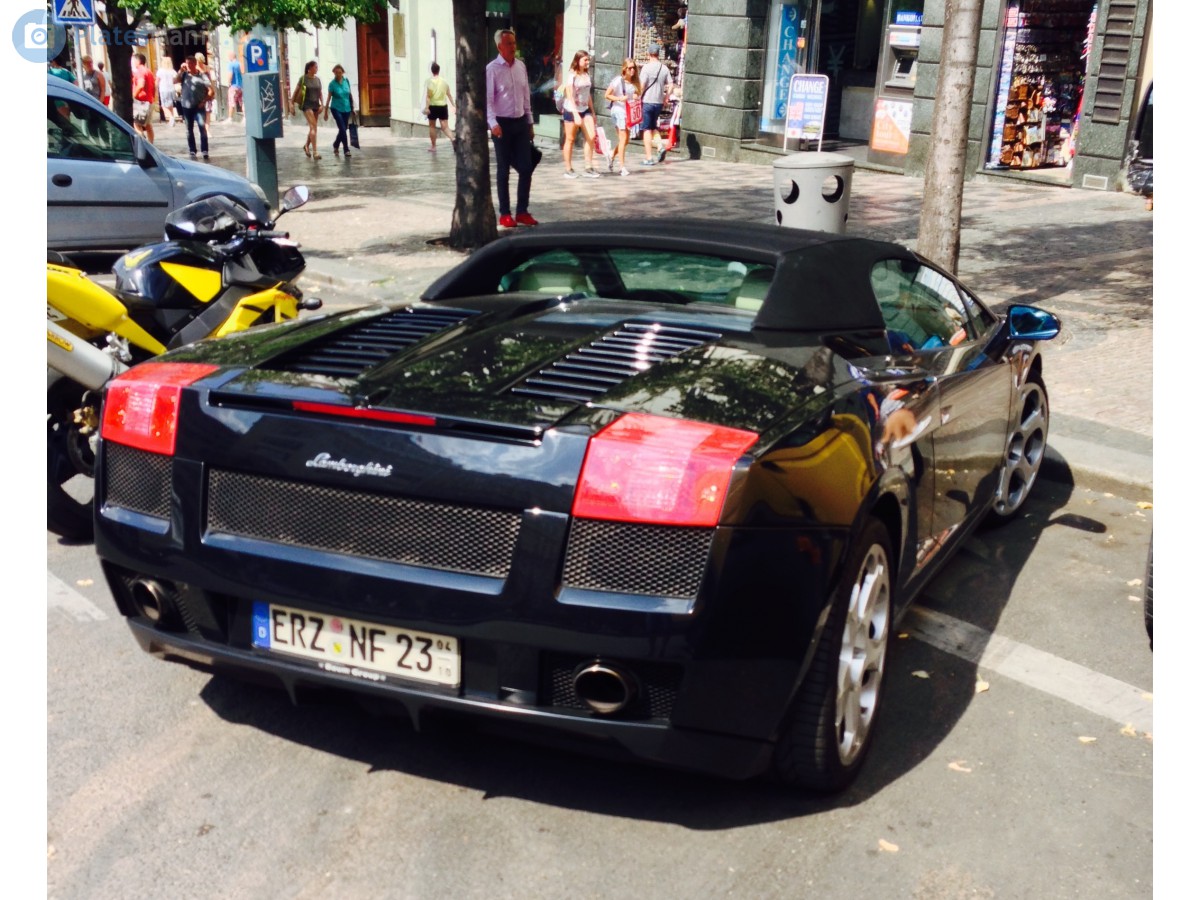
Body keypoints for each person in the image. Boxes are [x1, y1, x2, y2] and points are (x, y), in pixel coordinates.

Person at [485, 28, 538, 228]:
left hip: (520, 122)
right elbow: (488, 100)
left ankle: (522, 211)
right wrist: (493, 123)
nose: (513, 47)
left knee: (526, 167)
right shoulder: (492, 69)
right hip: (502, 124)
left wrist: (530, 122)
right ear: (499, 46)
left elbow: (526, 97)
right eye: (509, 44)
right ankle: (505, 213)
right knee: (503, 170)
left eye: (514, 43)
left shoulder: (521, 67)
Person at [558, 50, 600, 179]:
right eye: (585, 60)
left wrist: (592, 112)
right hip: (572, 109)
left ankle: (588, 166)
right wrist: (575, 114)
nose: (587, 62)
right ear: (578, 61)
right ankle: (568, 168)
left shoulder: (586, 75)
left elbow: (588, 96)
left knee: (591, 136)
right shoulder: (572, 76)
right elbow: (570, 95)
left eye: (588, 60)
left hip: (585, 108)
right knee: (570, 139)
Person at [638, 43, 673, 166]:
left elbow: (642, 86)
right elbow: (671, 84)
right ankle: (660, 146)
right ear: (658, 54)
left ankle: (648, 157)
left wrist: (637, 97)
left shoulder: (646, 68)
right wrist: (666, 97)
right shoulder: (664, 68)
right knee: (653, 127)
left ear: (649, 54)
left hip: (647, 102)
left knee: (646, 129)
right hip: (658, 103)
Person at [604, 58, 640, 176]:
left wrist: (635, 96)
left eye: (634, 67)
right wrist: (619, 98)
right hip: (618, 110)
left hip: (628, 112)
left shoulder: (635, 82)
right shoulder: (618, 81)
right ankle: (622, 167)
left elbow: (636, 94)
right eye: (630, 68)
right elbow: (607, 95)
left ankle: (611, 154)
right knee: (623, 138)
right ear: (624, 69)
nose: (632, 70)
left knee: (625, 140)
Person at [175, 52, 212, 159]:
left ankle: (204, 150)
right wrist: (180, 71)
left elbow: (211, 91)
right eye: (187, 64)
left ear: (195, 64)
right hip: (186, 106)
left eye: (191, 64)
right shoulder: (184, 75)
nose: (189, 66)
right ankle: (192, 150)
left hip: (199, 106)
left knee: (202, 128)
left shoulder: (202, 76)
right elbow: (175, 81)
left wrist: (203, 101)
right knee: (189, 129)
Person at [291, 60, 323, 159]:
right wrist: (291, 104)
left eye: (317, 67)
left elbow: (320, 92)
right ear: (309, 69)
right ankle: (315, 152)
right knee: (314, 128)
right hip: (307, 105)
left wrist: (322, 104)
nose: (316, 69)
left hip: (316, 105)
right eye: (315, 67)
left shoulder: (317, 79)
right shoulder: (303, 79)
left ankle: (306, 146)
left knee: (313, 128)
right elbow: (296, 92)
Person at [423, 62, 456, 152]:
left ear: (432, 71)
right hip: (443, 106)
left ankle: (433, 146)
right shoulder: (444, 82)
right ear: (439, 70)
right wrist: (454, 105)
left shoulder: (430, 82)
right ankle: (453, 139)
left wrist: (426, 108)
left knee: (432, 126)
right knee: (445, 126)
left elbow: (428, 97)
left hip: (433, 106)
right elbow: (449, 94)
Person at [324, 64, 354, 158]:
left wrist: (352, 108)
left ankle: (336, 144)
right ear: (334, 73)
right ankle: (346, 149)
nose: (338, 74)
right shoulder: (332, 84)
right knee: (342, 128)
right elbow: (328, 98)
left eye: (340, 72)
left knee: (344, 129)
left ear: (343, 73)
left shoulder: (346, 81)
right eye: (336, 73)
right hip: (336, 108)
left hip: (347, 108)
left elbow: (350, 95)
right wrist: (325, 111)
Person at [131, 52, 156, 145]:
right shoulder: (148, 71)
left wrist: (133, 95)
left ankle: (143, 145)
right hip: (149, 101)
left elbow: (141, 85)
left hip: (141, 102)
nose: (132, 62)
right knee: (148, 125)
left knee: (136, 124)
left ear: (138, 61)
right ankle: (151, 144)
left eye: (133, 60)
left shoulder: (140, 71)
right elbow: (154, 87)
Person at [156, 56, 177, 125]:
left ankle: (171, 117)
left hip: (163, 89)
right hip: (171, 89)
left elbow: (157, 81)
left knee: (163, 105)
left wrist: (155, 88)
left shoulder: (160, 71)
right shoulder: (172, 71)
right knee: (170, 105)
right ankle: (172, 119)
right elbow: (175, 80)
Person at [227, 51, 243, 119]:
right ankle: (245, 118)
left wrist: (229, 82)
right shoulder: (240, 64)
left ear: (231, 57)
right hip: (241, 86)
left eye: (229, 57)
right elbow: (243, 73)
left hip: (234, 86)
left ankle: (230, 118)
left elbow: (230, 74)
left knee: (231, 101)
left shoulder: (231, 64)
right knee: (242, 102)